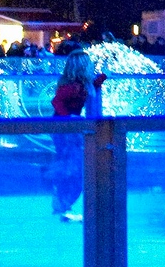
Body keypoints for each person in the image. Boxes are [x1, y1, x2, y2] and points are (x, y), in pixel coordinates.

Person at [50, 50, 107, 222]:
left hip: (69, 127)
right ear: (82, 66)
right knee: (72, 166)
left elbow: (94, 84)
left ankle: (63, 203)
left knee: (73, 166)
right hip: (64, 128)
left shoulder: (81, 84)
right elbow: (56, 101)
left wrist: (104, 76)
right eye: (88, 64)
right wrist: (69, 117)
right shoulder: (71, 86)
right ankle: (63, 202)